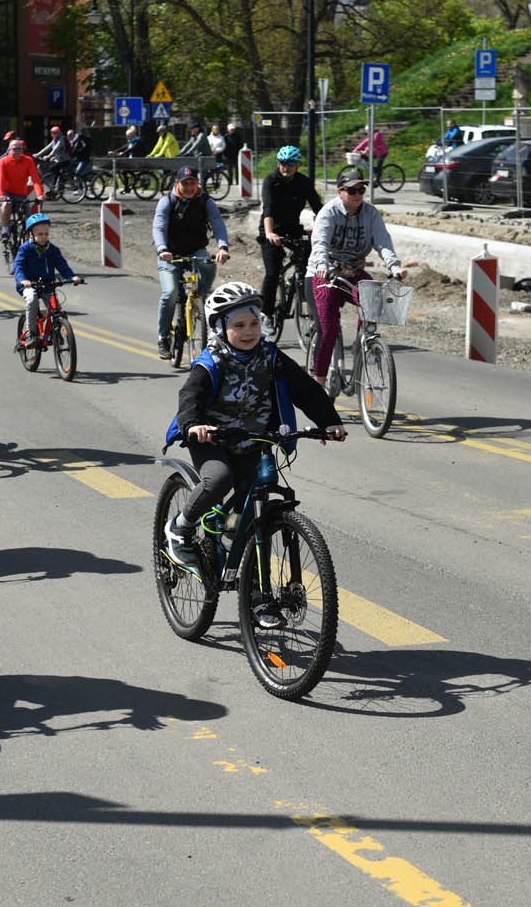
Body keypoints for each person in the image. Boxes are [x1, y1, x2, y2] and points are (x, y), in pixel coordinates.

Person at [161, 282, 346, 616]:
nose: (249, 331)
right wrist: (194, 426)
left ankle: (260, 597)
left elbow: (305, 390)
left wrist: (329, 421)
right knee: (217, 479)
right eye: (238, 325)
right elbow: (189, 400)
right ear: (219, 328)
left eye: (254, 323)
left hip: (255, 440)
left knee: (255, 509)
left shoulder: (270, 356)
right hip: (212, 440)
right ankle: (181, 526)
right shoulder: (210, 363)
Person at [307, 168, 406, 385]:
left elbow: (383, 242)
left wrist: (394, 266)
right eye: (352, 190)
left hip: (354, 270)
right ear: (340, 192)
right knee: (328, 330)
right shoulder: (328, 212)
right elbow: (320, 242)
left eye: (361, 189)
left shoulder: (371, 213)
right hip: (327, 273)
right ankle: (319, 384)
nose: (357, 194)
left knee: (374, 298)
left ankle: (364, 343)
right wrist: (322, 264)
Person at [153, 166, 230, 359]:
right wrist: (162, 249)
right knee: (170, 293)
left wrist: (223, 247)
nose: (189, 187)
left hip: (195, 250)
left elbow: (218, 224)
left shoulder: (206, 202)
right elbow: (159, 226)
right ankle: (163, 337)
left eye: (192, 183)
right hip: (170, 253)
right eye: (185, 183)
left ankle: (200, 297)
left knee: (209, 264)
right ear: (177, 184)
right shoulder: (167, 201)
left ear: (198, 184)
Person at [258, 145, 323, 318]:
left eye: (291, 163)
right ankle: (266, 314)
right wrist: (270, 233)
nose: (286, 167)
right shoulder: (271, 181)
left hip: (293, 227)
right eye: (283, 163)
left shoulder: (303, 182)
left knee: (309, 257)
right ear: (278, 163)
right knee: (272, 272)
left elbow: (318, 208)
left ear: (298, 165)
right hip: (271, 227)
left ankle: (298, 282)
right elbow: (269, 209)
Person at [12, 213, 84, 346]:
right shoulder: (25, 250)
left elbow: (62, 266)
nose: (44, 237)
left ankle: (56, 331)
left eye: (46, 234)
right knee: (32, 299)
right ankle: (31, 334)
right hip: (29, 284)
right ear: (31, 235)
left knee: (57, 310)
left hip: (47, 284)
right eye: (40, 234)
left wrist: (72, 277)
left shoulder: (52, 250)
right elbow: (18, 267)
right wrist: (23, 280)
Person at [0, 138, 44, 243]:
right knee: (6, 205)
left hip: (21, 194)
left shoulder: (28, 161)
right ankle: (5, 230)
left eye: (20, 149)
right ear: (9, 150)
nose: (18, 151)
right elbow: (0, 180)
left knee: (29, 217)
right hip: (7, 193)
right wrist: (0, 195)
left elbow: (36, 180)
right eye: (15, 149)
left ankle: (29, 238)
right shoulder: (3, 162)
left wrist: (40, 195)